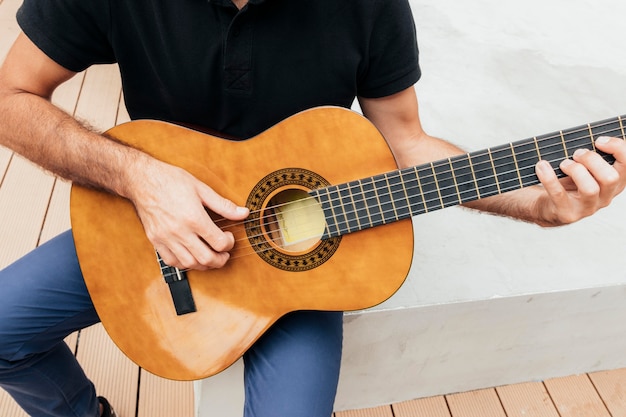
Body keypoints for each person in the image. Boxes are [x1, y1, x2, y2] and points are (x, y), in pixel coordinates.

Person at [1, 0, 625, 416]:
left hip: (301, 260)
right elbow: (10, 97)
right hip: (143, 225)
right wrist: (140, 177)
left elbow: (405, 141)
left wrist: (540, 205)